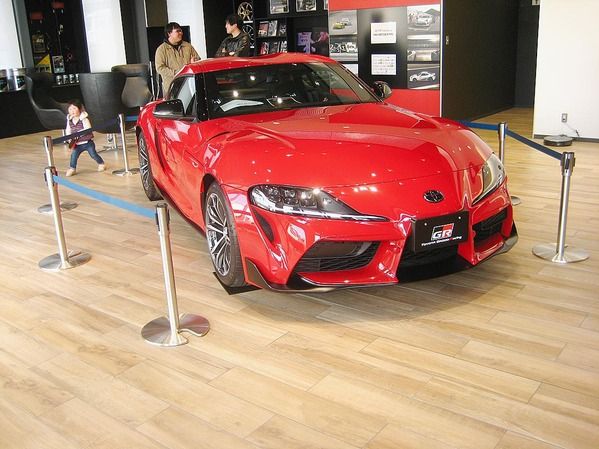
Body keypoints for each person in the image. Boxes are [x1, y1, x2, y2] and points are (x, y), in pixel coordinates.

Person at [155, 22, 200, 95]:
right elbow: (160, 68)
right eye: (177, 31)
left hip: (188, 85)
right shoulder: (161, 50)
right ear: (169, 33)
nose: (181, 33)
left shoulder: (188, 46)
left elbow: (197, 60)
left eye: (181, 31)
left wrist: (194, 63)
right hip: (172, 87)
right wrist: (178, 73)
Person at [64, 99, 105, 177]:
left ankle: (101, 163)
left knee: (93, 155)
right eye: (70, 109)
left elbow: (87, 129)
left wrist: (77, 134)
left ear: (79, 109)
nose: (72, 111)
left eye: (74, 108)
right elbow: (68, 130)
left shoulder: (84, 119)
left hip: (88, 143)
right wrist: (69, 138)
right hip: (77, 144)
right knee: (73, 156)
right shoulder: (69, 120)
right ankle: (72, 168)